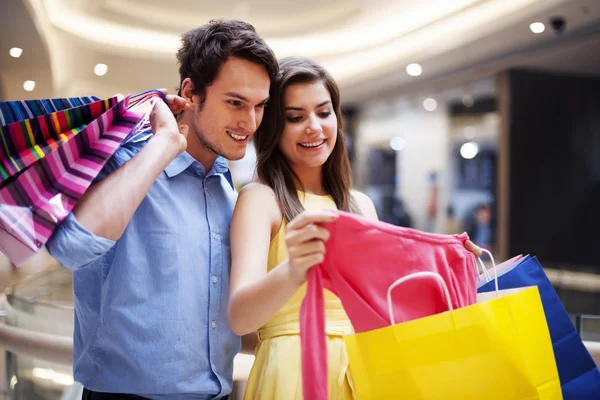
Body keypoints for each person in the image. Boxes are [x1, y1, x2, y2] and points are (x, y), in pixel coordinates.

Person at [45, 20, 278, 400]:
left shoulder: (227, 189)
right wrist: (165, 145)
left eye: (260, 106)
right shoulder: (125, 159)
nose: (249, 122)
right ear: (191, 91)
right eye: (235, 103)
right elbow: (70, 248)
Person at [227, 57, 482, 399]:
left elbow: (388, 303)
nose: (314, 127)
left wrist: (454, 268)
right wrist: (294, 268)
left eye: (323, 111)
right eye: (295, 117)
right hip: (293, 373)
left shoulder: (361, 205)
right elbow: (241, 318)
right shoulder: (260, 198)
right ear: (274, 127)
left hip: (365, 373)